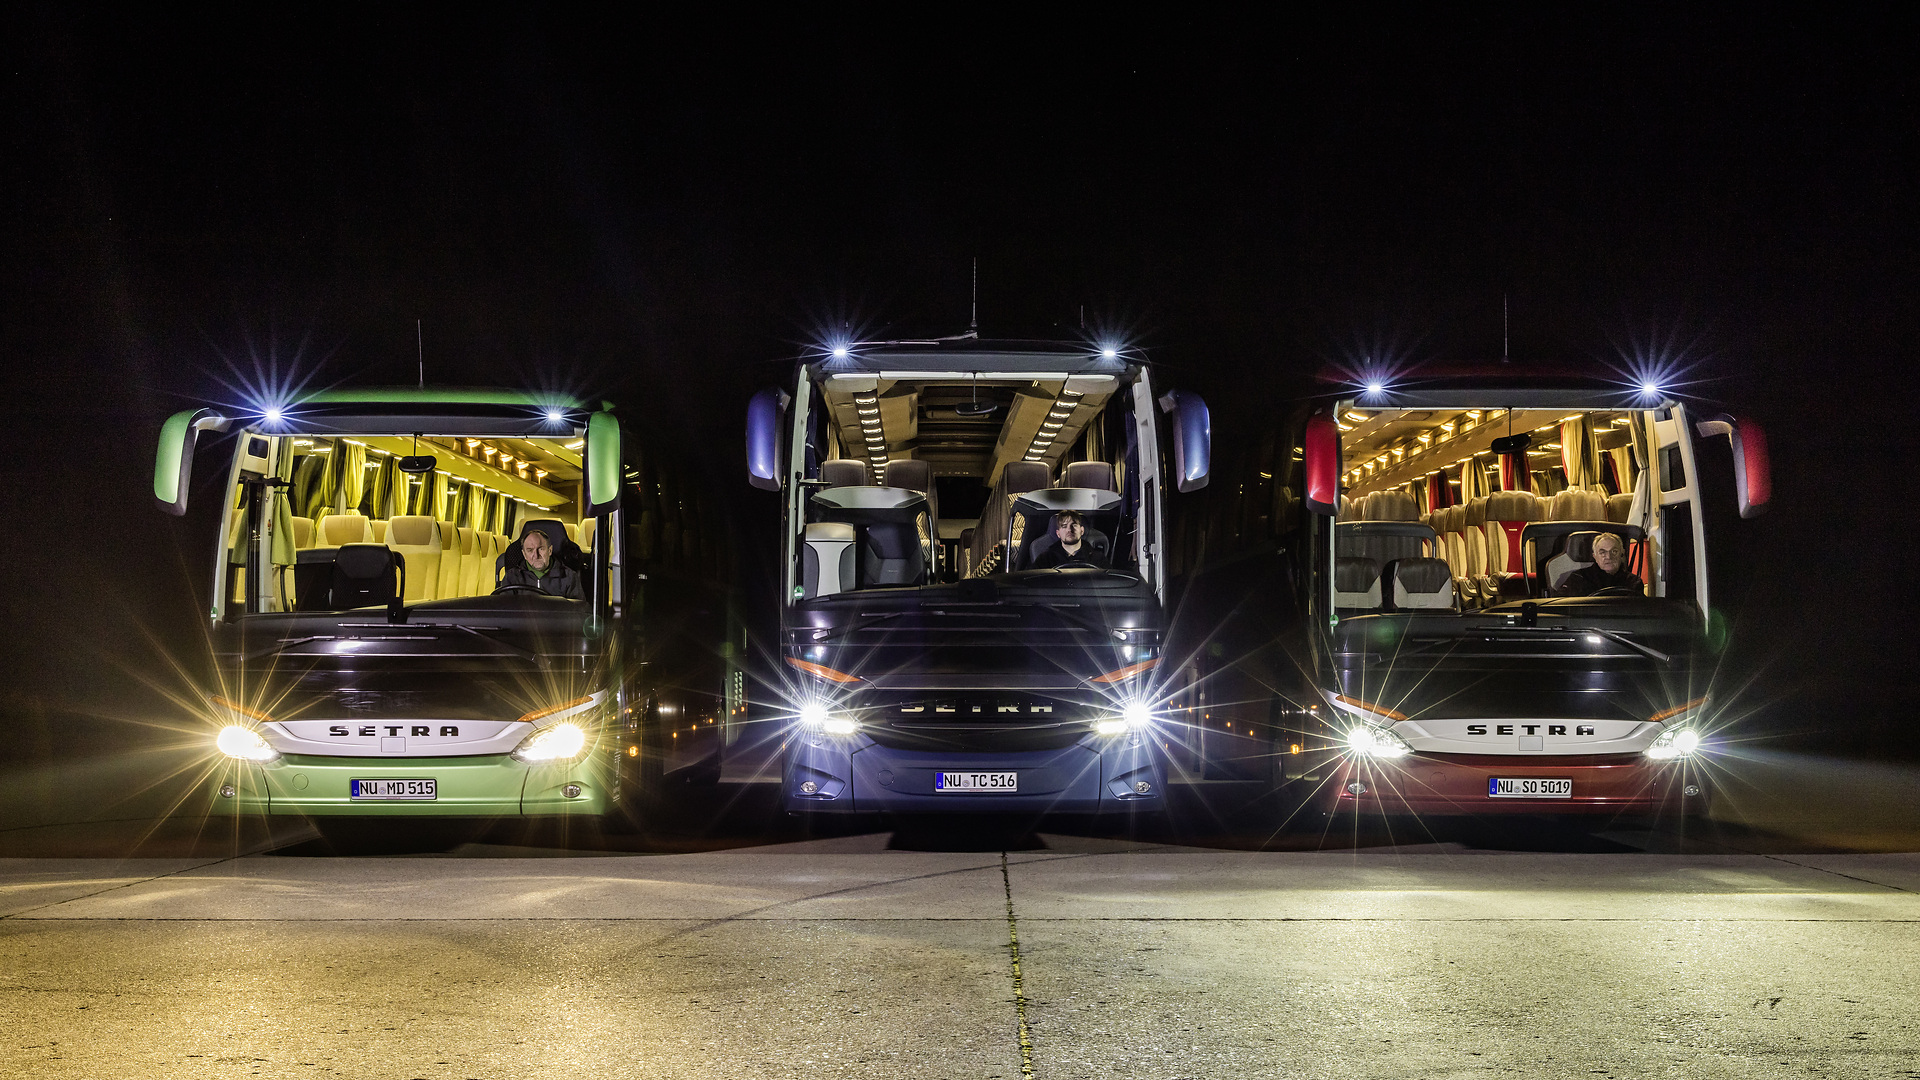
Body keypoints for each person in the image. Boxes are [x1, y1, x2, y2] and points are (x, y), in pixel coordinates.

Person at [498, 526, 585, 598]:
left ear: (550, 550)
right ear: (524, 554)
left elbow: (578, 613)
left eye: (541, 549)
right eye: (530, 550)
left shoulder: (569, 577)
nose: (536, 555)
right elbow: (504, 612)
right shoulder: (511, 577)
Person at [1561, 532, 1643, 596]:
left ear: (1622, 554)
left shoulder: (1634, 583)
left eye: (1614, 551)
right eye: (1602, 552)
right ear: (1595, 556)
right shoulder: (1577, 579)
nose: (1608, 556)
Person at [1028, 510, 1109, 569]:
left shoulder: (1098, 558)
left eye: (1074, 525)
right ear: (1058, 533)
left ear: (1082, 530)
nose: (1069, 529)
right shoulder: (1045, 560)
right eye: (1064, 526)